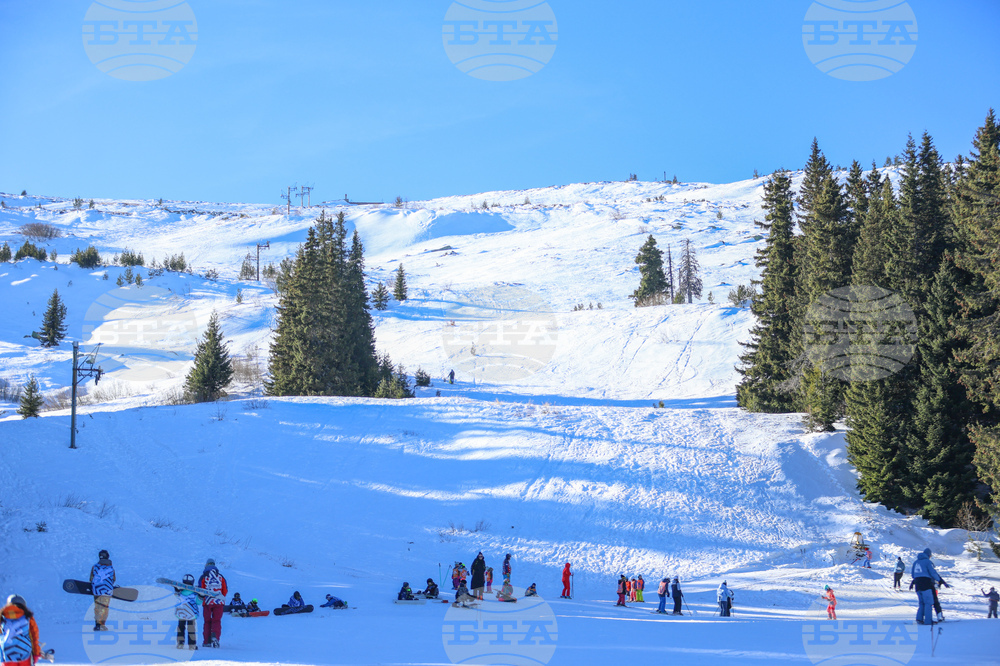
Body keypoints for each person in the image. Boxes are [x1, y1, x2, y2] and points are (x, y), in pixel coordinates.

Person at [1, 595, 42, 666]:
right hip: (25, 653)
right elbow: (34, 636)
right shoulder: (28, 617)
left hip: (7, 654)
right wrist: (36, 653)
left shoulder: (2, 617)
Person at [910, 548, 948, 625]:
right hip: (926, 584)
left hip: (917, 584)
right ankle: (928, 621)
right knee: (928, 603)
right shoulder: (928, 562)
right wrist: (939, 580)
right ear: (928, 555)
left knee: (921, 603)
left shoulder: (915, 562)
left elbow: (913, 575)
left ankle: (919, 619)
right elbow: (933, 573)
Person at [198, 558, 227, 648]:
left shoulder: (203, 577)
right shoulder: (221, 577)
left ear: (206, 565)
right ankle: (215, 637)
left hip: (207, 602)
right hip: (219, 602)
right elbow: (225, 590)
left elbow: (200, 590)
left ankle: (206, 641)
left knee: (207, 621)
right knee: (216, 620)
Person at [90, 549, 115, 631]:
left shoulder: (95, 567)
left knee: (97, 607)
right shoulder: (111, 568)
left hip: (96, 590)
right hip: (107, 590)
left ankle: (97, 625)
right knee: (104, 607)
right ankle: (102, 625)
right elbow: (113, 579)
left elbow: (91, 579)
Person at [173, 575, 199, 650]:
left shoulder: (180, 592)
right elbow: (198, 602)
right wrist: (201, 597)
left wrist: (176, 591)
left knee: (181, 627)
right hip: (191, 612)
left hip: (181, 612)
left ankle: (180, 643)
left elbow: (177, 598)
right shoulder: (194, 593)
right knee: (191, 628)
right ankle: (192, 645)